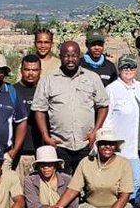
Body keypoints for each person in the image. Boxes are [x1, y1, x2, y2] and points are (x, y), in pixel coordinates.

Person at [31, 41, 110, 176]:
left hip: (86, 143)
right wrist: (45, 135)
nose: (70, 59)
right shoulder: (48, 80)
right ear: (60, 57)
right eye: (66, 56)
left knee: (87, 183)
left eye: (74, 56)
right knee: (62, 185)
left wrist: (95, 131)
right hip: (60, 144)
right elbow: (39, 109)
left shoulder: (92, 78)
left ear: (79, 57)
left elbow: (103, 105)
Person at [51, 127, 136, 208]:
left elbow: (125, 196)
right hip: (92, 206)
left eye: (111, 144)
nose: (108, 147)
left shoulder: (124, 164)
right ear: (97, 145)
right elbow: (72, 189)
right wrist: (59, 206)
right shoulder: (86, 162)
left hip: (117, 206)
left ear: (116, 146)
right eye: (104, 143)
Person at [104, 55, 140, 198]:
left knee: (139, 182)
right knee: (132, 183)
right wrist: (107, 145)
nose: (128, 70)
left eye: (131, 67)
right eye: (124, 67)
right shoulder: (112, 89)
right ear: (119, 69)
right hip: (124, 149)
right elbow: (106, 120)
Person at [12, 53, 44, 178]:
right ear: (21, 70)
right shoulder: (12, 90)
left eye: (35, 70)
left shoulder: (45, 90)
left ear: (40, 71)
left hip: (40, 152)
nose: (31, 73)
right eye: (27, 69)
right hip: (18, 153)